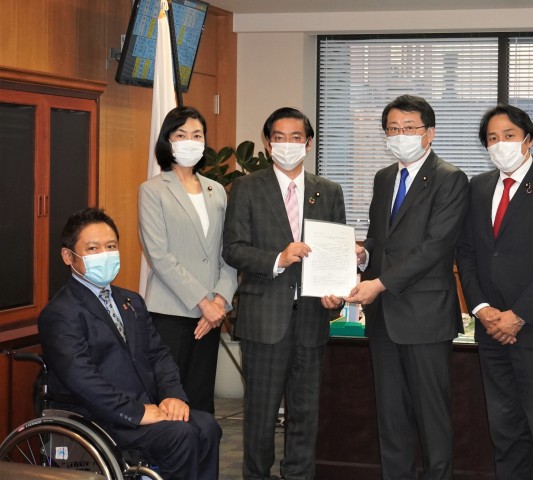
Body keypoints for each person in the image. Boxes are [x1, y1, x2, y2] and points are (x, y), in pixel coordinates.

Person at [38, 207, 222, 480]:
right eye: (93, 248)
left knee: (206, 425)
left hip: (145, 406)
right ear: (68, 256)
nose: (105, 254)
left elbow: (158, 354)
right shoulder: (61, 313)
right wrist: (135, 413)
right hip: (98, 417)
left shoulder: (130, 300)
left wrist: (173, 395)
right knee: (180, 434)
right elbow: (81, 378)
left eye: (111, 246)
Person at [345, 94, 469, 480]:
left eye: (410, 128)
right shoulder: (384, 178)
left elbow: (435, 247)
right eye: (393, 129)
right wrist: (364, 256)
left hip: (425, 316)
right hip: (384, 317)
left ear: (429, 133)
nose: (401, 135)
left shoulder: (450, 178)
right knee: (391, 416)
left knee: (432, 418)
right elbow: (380, 239)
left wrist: (379, 283)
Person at [455, 104, 533, 480]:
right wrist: (481, 308)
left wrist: (518, 315)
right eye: (492, 138)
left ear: (529, 139)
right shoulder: (478, 187)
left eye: (508, 135)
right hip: (490, 328)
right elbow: (467, 252)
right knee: (503, 427)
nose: (500, 144)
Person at [222, 107, 346, 480]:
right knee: (260, 415)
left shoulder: (329, 191)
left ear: (308, 144)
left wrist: (336, 294)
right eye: (279, 137)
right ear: (267, 143)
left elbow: (337, 252)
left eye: (295, 137)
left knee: (305, 412)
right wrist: (278, 258)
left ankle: (298, 475)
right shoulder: (247, 187)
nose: (287, 144)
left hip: (312, 318)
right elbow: (233, 249)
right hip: (264, 320)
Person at [139, 106, 237, 414]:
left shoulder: (216, 190)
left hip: (211, 316)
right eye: (181, 135)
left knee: (201, 400)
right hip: (170, 312)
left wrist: (219, 302)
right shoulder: (152, 190)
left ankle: (201, 448)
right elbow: (159, 256)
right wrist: (203, 302)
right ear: (167, 141)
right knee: (169, 401)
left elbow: (228, 252)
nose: (190, 141)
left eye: (197, 135)